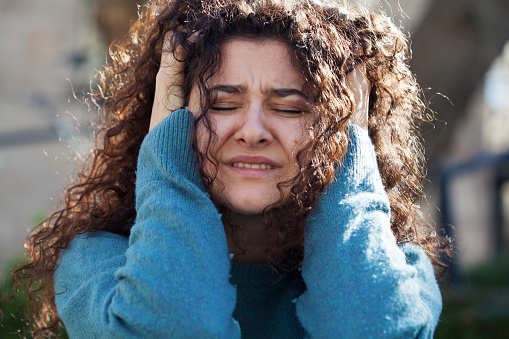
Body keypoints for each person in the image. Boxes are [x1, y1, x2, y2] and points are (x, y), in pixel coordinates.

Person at [7, 0, 450, 337]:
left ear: (339, 129)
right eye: (222, 103)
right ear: (172, 119)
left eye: (291, 109)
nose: (252, 130)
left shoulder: (398, 273)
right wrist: (167, 137)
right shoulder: (97, 263)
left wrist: (350, 149)